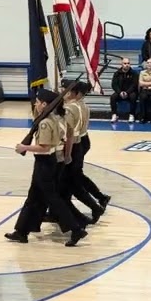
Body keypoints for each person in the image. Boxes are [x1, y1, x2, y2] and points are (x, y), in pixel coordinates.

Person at [5, 89, 88, 246]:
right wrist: (67, 155)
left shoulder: (45, 123)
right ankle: (21, 232)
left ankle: (76, 228)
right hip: (54, 162)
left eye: (37, 102)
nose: (35, 104)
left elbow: (44, 147)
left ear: (44, 104)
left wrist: (24, 147)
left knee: (52, 198)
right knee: (34, 198)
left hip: (44, 163)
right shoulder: (59, 118)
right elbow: (69, 137)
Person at [58, 81, 105, 224]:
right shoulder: (81, 106)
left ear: (75, 93)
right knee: (72, 180)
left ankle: (96, 204)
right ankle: (61, 211)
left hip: (74, 144)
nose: (63, 92)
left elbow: (70, 134)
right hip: (80, 141)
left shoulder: (70, 108)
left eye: (65, 90)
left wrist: (67, 154)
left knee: (73, 181)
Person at [109, 58, 137, 122]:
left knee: (133, 96)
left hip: (130, 92)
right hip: (120, 92)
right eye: (125, 63)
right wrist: (120, 92)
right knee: (113, 97)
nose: (127, 65)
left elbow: (134, 85)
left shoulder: (134, 73)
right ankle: (114, 114)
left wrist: (127, 92)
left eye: (128, 63)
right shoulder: (117, 73)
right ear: (121, 64)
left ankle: (132, 115)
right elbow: (114, 85)